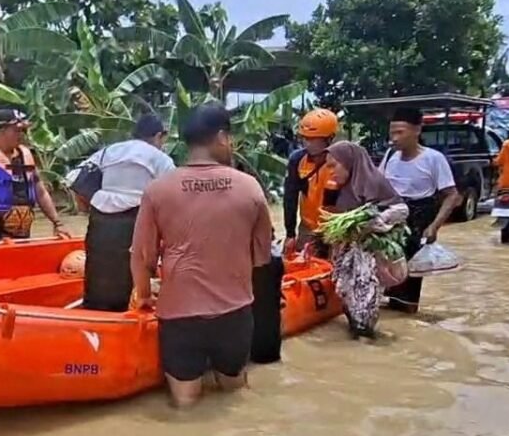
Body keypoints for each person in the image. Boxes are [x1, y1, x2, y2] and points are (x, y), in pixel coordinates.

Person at [130, 103, 273, 408]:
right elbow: (262, 258)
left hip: (179, 313)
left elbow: (143, 256)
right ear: (222, 137)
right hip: (234, 312)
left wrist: (143, 294)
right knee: (235, 394)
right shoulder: (250, 187)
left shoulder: (158, 190)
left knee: (185, 405)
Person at [71, 114, 175, 311]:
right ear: (159, 136)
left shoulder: (109, 151)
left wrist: (90, 205)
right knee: (136, 272)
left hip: (101, 220)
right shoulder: (161, 159)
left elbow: (77, 180)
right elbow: (172, 197)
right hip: (137, 219)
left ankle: (95, 314)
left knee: (98, 269)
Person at [379, 107, 461, 313]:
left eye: (400, 132)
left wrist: (435, 226)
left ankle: (407, 313)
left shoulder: (433, 159)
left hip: (418, 220)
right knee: (387, 269)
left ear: (417, 130)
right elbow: (378, 185)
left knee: (410, 275)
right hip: (391, 219)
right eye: (392, 133)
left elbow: (452, 195)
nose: (394, 138)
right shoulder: (390, 156)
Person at [324, 141, 409, 339]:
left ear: (349, 162)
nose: (331, 172)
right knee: (346, 293)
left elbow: (402, 210)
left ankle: (365, 340)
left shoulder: (374, 182)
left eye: (333, 166)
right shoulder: (342, 189)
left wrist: (377, 221)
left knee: (365, 298)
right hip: (349, 251)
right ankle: (357, 334)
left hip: (371, 253)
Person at [0, 108, 69, 246]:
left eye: (22, 131)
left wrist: (58, 223)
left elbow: (40, 192)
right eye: (17, 131)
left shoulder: (25, 155)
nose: (22, 135)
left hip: (24, 236)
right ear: (2, 131)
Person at [283, 109, 340, 253]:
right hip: (308, 228)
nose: (308, 143)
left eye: (313, 139)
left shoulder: (343, 160)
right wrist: (290, 233)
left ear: (329, 138)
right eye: (305, 138)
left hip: (336, 229)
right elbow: (290, 197)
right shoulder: (297, 160)